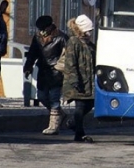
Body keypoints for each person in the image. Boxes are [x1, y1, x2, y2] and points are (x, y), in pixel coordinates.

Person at [23, 15, 69, 135]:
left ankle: (53, 126)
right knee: (42, 96)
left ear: (50, 26)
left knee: (54, 98)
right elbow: (33, 53)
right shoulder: (37, 38)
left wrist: (64, 70)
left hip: (56, 72)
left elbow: (67, 56)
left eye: (44, 29)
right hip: (43, 71)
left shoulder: (61, 37)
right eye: (40, 29)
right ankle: (60, 114)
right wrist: (28, 67)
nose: (42, 32)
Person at [62, 14, 96, 143]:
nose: (90, 33)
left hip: (88, 82)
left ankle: (73, 123)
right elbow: (70, 63)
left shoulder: (90, 45)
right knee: (80, 106)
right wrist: (74, 80)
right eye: (88, 30)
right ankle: (79, 133)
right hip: (77, 81)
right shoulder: (73, 42)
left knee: (90, 103)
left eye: (91, 30)